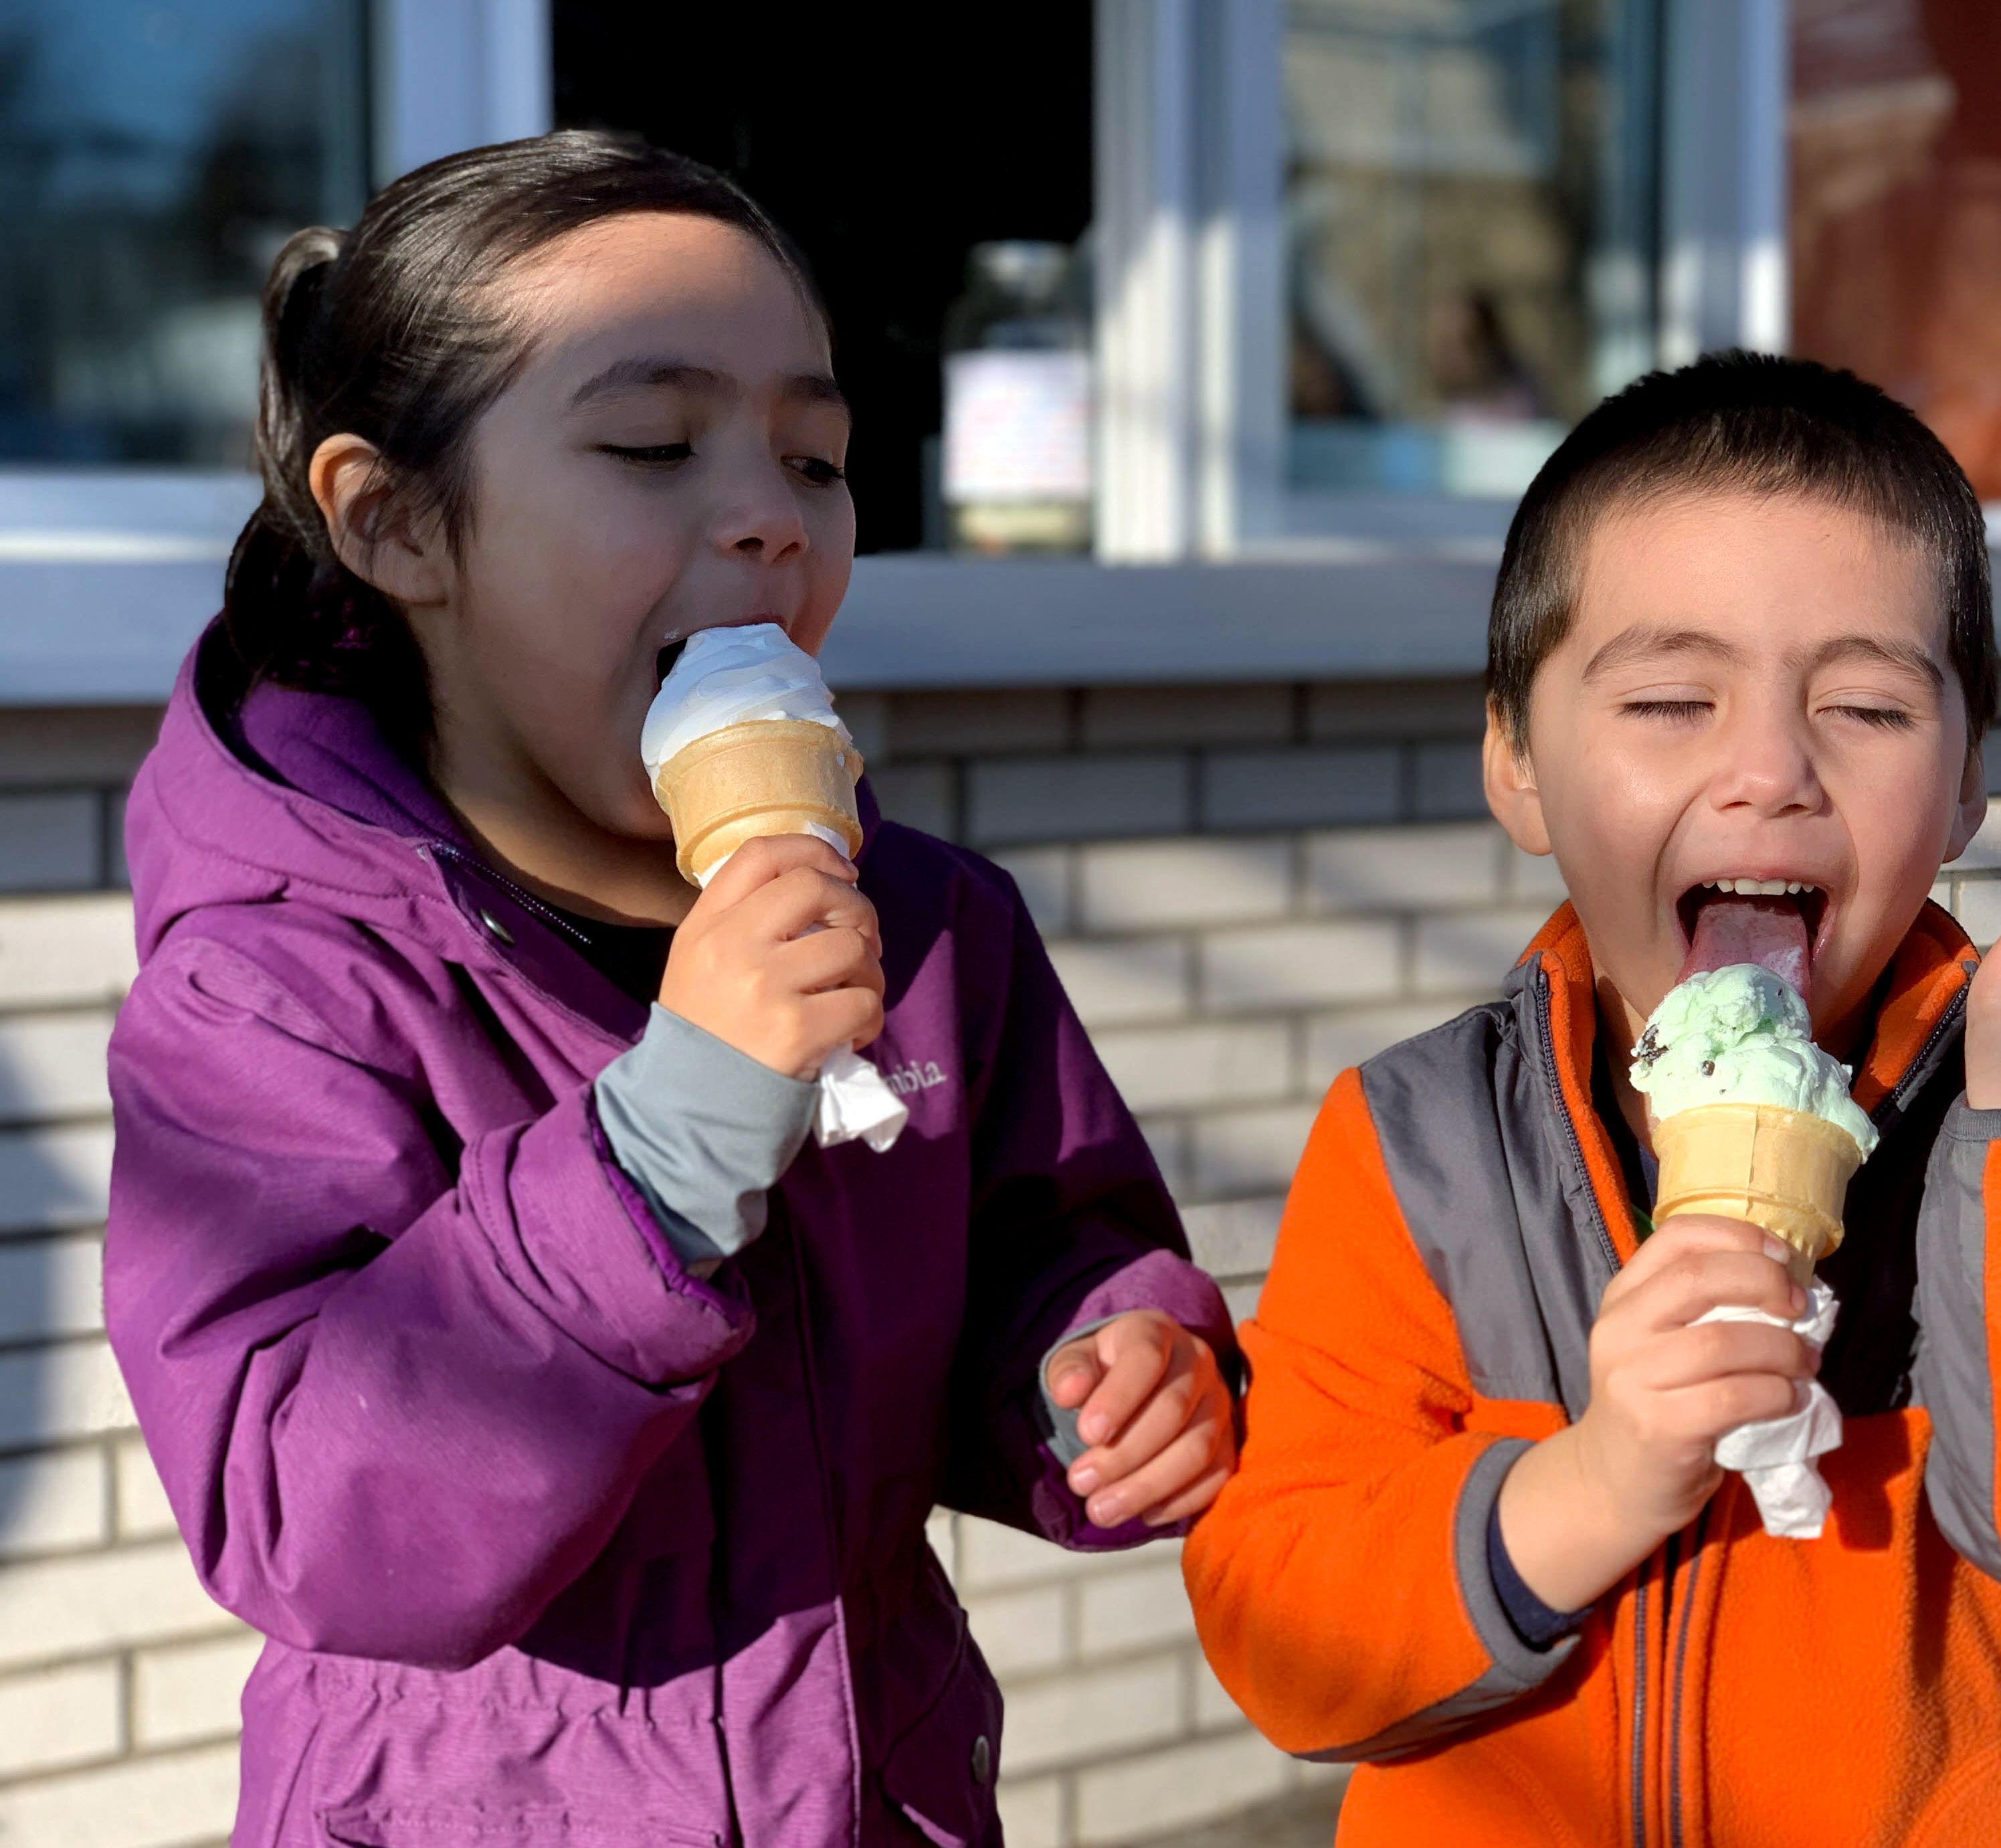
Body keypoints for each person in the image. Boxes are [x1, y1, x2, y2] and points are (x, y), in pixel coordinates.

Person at [104, 131, 1236, 1848]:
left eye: (819, 455)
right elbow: (301, 1512)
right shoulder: (280, 985)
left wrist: (1105, 1370)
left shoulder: (931, 926)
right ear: (396, 522)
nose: (770, 515)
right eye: (651, 441)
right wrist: (660, 1145)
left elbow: (1047, 1250)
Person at [1181, 351, 2001, 1845]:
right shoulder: (1422, 1148)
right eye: (1673, 698)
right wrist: (1598, 1478)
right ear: (1517, 760)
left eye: (1866, 709)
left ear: (1963, 786)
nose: (1768, 769)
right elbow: (1281, 1640)